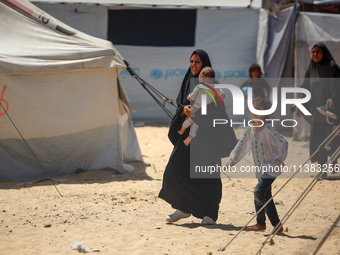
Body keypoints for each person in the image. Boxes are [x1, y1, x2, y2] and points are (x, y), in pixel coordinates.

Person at [158, 49, 237, 225]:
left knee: (207, 174)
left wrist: (199, 112)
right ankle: (184, 208)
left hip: (208, 136)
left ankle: (210, 213)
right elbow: (182, 102)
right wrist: (183, 110)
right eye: (191, 61)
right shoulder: (188, 81)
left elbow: (218, 109)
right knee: (175, 169)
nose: (193, 65)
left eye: (197, 62)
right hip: (189, 136)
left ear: (205, 65)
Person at [226, 97, 287, 232]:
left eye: (258, 109)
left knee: (258, 191)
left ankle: (261, 223)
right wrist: (232, 160)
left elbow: (284, 143)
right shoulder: (250, 129)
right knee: (267, 197)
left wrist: (279, 158)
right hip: (260, 169)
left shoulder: (269, 128)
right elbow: (240, 146)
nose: (253, 111)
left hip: (272, 168)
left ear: (265, 112)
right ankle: (277, 226)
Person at [296, 42, 340, 175]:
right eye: (313, 52)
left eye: (318, 52)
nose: (315, 54)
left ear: (324, 53)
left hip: (332, 112)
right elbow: (305, 87)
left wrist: (333, 97)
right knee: (318, 140)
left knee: (331, 139)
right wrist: (300, 102)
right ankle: (322, 170)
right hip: (317, 111)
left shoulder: (332, 67)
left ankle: (333, 163)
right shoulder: (311, 68)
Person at [178, 67, 225, 146]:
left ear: (202, 78)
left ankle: (182, 130)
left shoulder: (199, 87)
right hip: (206, 109)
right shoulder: (215, 87)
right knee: (196, 124)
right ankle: (190, 137)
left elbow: (191, 98)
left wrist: (188, 96)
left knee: (189, 120)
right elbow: (222, 96)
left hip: (196, 106)